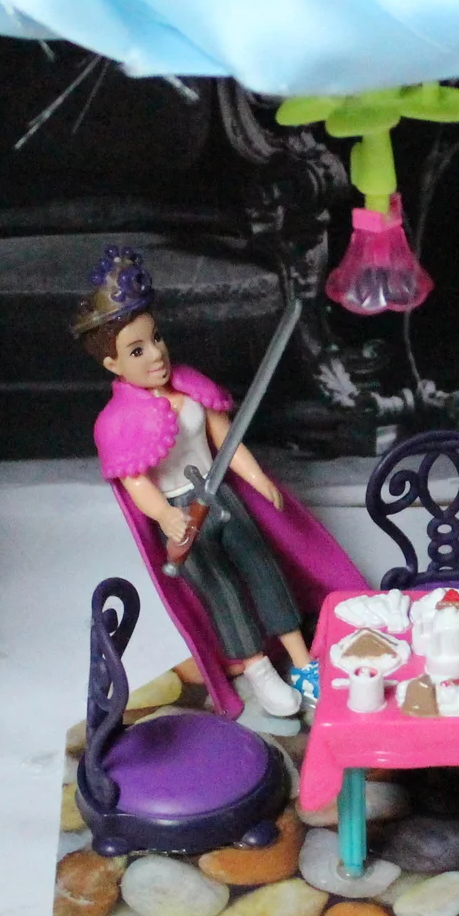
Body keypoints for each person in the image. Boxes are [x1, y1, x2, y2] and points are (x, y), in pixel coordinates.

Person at [78, 246, 357, 720]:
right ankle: (258, 669)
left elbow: (226, 441)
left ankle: (302, 660)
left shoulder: (191, 388)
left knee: (261, 568)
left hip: (221, 494)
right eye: (137, 350)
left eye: (156, 338)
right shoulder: (116, 422)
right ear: (113, 364)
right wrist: (166, 516)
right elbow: (136, 482)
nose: (157, 353)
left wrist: (256, 476)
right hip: (182, 514)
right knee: (220, 590)